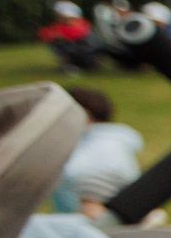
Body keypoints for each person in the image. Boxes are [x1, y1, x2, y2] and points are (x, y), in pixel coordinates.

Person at [48, 87, 144, 215]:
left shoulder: (103, 146)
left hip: (91, 225)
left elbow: (69, 175)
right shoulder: (112, 141)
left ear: (83, 114)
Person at [37, 0, 100, 74]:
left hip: (85, 53)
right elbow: (44, 34)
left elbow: (79, 32)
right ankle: (71, 65)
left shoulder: (83, 25)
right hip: (72, 50)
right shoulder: (57, 26)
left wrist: (62, 36)